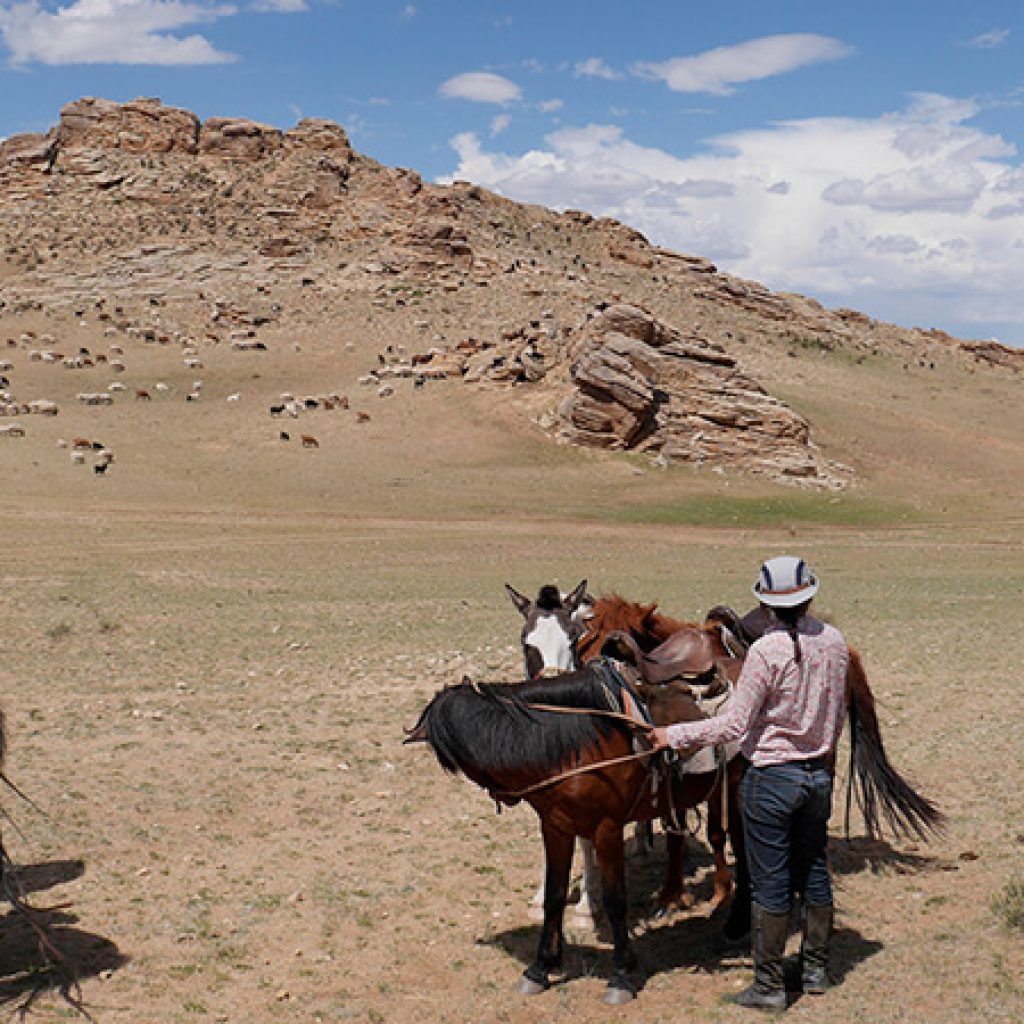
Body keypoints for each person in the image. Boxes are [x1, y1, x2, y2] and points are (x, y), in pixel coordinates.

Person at [648, 555, 849, 1011]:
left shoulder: (766, 652)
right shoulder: (834, 642)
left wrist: (670, 735)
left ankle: (769, 985)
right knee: (814, 868)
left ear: (766, 604)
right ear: (809, 597)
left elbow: (734, 725)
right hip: (818, 775)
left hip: (772, 781)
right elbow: (836, 715)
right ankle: (815, 969)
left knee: (769, 879)